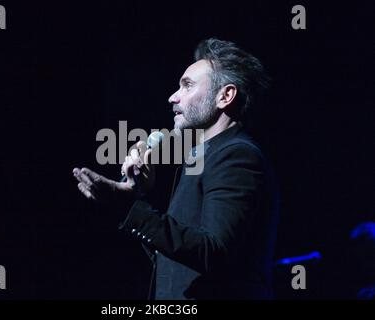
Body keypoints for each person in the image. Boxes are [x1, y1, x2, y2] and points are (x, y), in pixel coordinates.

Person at [73, 38, 279, 299]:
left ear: (225, 96)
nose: (173, 97)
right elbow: (177, 258)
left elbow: (213, 252)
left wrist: (129, 208)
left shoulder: (237, 156)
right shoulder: (204, 156)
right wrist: (137, 197)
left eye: (187, 85)